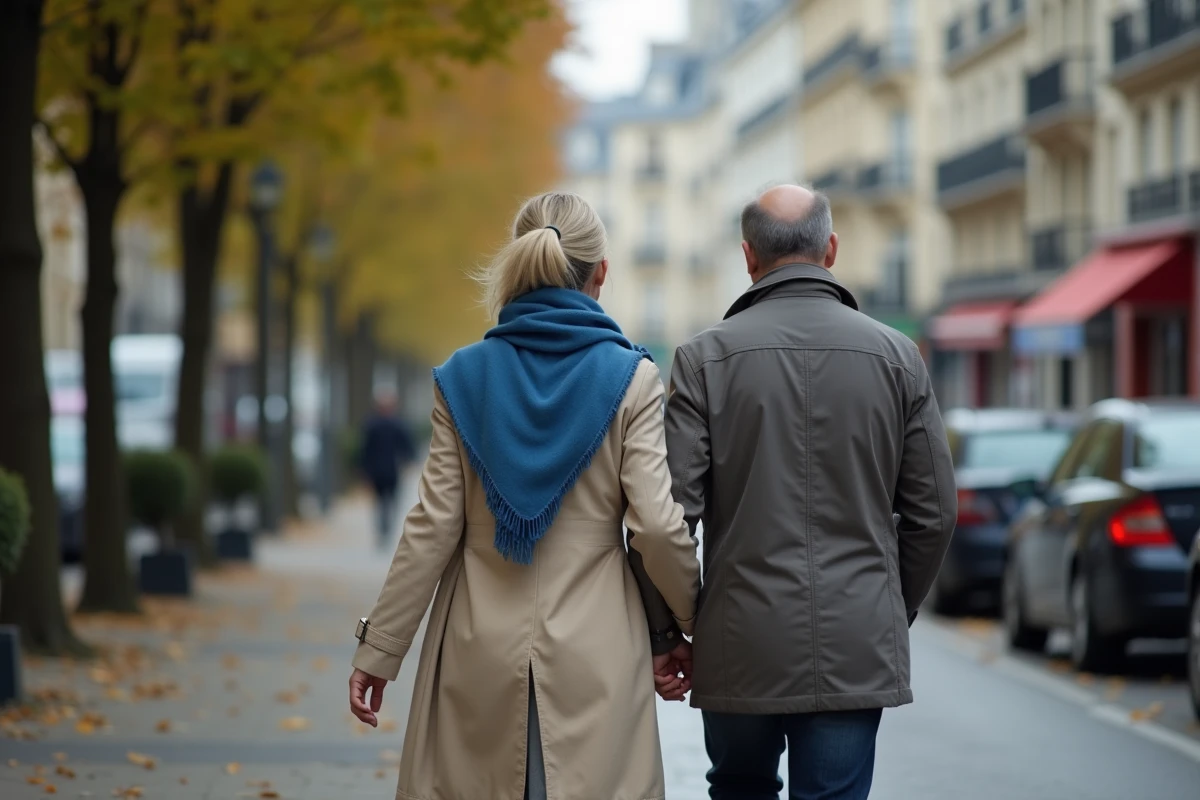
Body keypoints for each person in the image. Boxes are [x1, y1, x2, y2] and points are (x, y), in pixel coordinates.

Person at [347, 191, 701, 799]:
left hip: (477, 642)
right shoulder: (633, 377)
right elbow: (658, 529)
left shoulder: (462, 375)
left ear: (518, 263)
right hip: (598, 650)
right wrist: (692, 625)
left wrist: (379, 651)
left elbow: (431, 528)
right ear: (602, 274)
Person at [645, 185, 957, 800]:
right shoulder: (898, 356)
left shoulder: (703, 360)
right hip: (856, 632)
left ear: (747, 257)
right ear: (831, 249)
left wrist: (670, 632)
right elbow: (935, 514)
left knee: (739, 787)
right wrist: (891, 605)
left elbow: (667, 518)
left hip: (739, 636)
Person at [359, 390, 417, 547]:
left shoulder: (374, 424)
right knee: (384, 502)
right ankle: (385, 529)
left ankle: (385, 529)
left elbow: (364, 450)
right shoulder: (393, 424)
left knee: (385, 502)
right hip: (385, 471)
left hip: (387, 470)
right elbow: (365, 450)